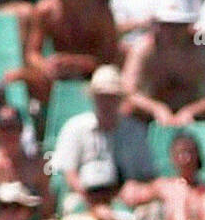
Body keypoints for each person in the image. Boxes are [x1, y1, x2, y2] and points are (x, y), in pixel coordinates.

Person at [125, 0, 205, 177]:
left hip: (194, 109)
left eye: (177, 25)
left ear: (188, 26)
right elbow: (128, 91)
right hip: (153, 111)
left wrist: (192, 110)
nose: (171, 31)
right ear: (156, 25)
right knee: (125, 111)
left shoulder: (202, 45)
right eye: (166, 25)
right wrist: (157, 108)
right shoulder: (144, 48)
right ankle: (134, 176)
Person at [53, 65, 159, 210]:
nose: (106, 103)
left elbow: (148, 175)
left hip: (127, 198)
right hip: (84, 195)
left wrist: (137, 189)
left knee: (154, 210)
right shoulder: (75, 127)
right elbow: (69, 173)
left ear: (119, 99)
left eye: (111, 97)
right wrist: (91, 197)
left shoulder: (135, 131)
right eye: (101, 96)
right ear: (93, 98)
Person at [16, 0, 122, 105]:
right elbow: (32, 54)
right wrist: (47, 66)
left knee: (108, 79)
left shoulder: (100, 10)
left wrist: (79, 64)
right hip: (58, 75)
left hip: (93, 74)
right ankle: (41, 121)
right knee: (18, 77)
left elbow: (111, 57)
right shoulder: (45, 10)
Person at [109, 0, 205, 54]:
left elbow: (202, 34)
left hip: (181, 62)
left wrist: (193, 40)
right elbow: (111, 29)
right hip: (134, 56)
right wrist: (141, 24)